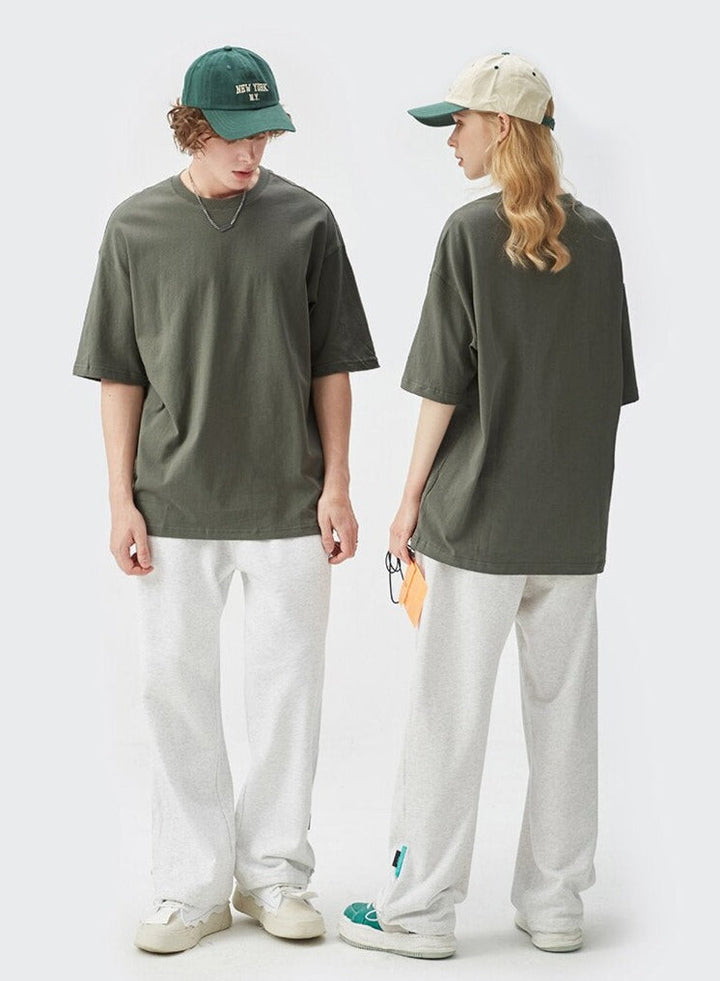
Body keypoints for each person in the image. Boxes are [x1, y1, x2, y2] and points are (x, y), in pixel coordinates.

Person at [73, 44, 378, 955]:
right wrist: (120, 499)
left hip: (288, 502)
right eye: (237, 134)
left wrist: (338, 483)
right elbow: (120, 375)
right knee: (173, 693)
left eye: (266, 133)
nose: (253, 151)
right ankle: (191, 884)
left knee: (289, 694)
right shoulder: (135, 227)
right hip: (172, 504)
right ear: (193, 127)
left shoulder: (307, 221)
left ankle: (273, 874)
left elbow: (332, 365)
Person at [338, 51, 638, 959]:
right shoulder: (601, 240)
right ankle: (556, 905)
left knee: (447, 716)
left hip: (476, 522)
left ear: (501, 127)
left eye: (459, 123)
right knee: (565, 717)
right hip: (572, 525)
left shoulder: (469, 233)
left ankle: (418, 911)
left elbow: (442, 386)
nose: (451, 141)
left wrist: (406, 502)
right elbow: (608, 388)